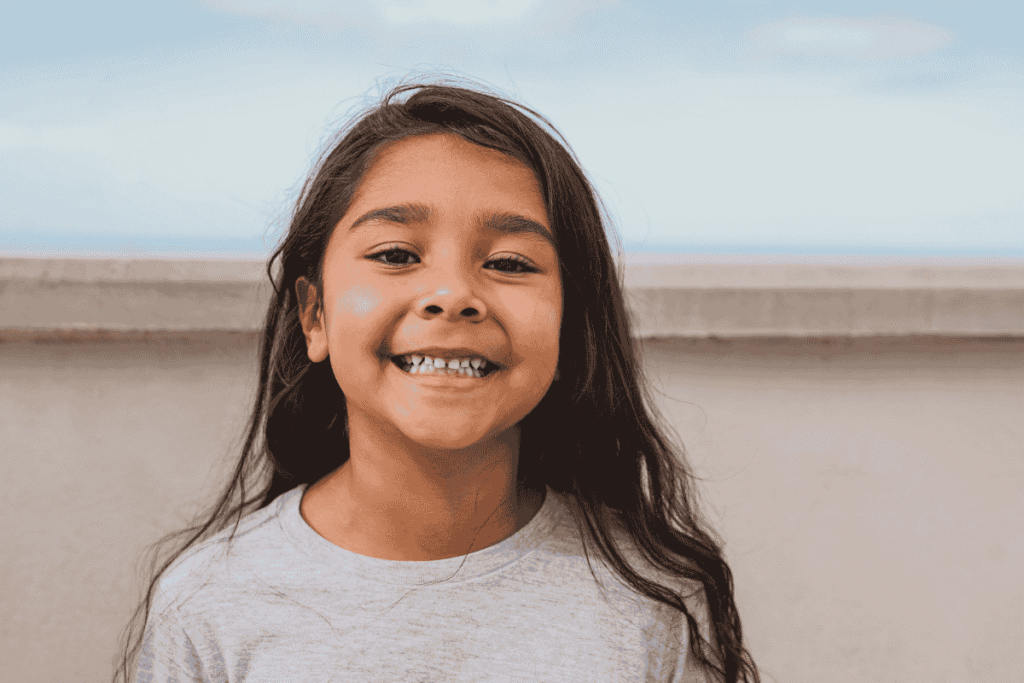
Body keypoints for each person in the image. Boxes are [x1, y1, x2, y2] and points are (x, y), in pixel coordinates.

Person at [114, 78, 760, 683]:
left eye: (509, 262)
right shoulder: (211, 601)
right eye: (396, 255)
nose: (452, 295)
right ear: (315, 315)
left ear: (571, 326)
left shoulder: (652, 596)